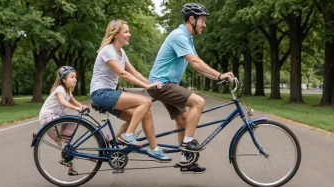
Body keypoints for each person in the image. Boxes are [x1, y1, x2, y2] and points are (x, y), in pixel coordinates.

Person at [147, 3, 235, 173]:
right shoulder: (179, 36)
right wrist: (219, 75)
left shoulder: (188, 38)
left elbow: (197, 63)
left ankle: (186, 161)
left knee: (183, 120)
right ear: (192, 19)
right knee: (198, 102)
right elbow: (195, 63)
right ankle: (187, 143)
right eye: (203, 20)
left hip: (167, 84)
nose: (204, 24)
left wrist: (216, 76)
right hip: (161, 84)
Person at [90, 19, 171, 162]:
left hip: (110, 94)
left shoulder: (121, 52)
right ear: (116, 34)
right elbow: (123, 74)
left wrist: (151, 83)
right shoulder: (107, 51)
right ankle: (128, 136)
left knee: (144, 113)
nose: (129, 34)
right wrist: (145, 87)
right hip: (101, 93)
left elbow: (134, 72)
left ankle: (154, 149)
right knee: (145, 102)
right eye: (126, 32)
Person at [39, 66, 87, 147]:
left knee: (73, 122)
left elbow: (73, 101)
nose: (75, 79)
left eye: (75, 77)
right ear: (64, 80)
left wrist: (81, 106)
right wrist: (76, 108)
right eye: (72, 77)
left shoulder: (67, 91)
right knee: (64, 127)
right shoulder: (59, 89)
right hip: (47, 116)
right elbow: (63, 101)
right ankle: (61, 140)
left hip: (56, 115)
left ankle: (64, 141)